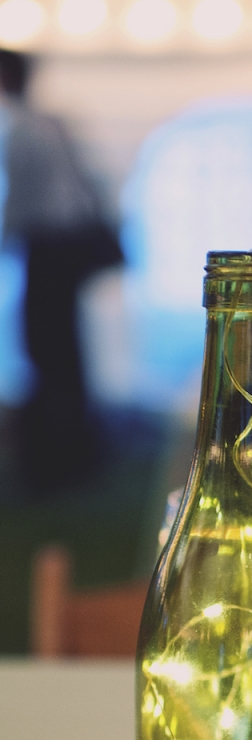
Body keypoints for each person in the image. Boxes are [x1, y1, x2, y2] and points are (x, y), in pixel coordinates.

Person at [0, 49, 122, 493]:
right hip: (65, 251)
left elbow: (21, 200)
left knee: (47, 351)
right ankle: (72, 452)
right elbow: (89, 186)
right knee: (65, 354)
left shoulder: (25, 130)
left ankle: (56, 457)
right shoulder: (53, 123)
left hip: (49, 251)